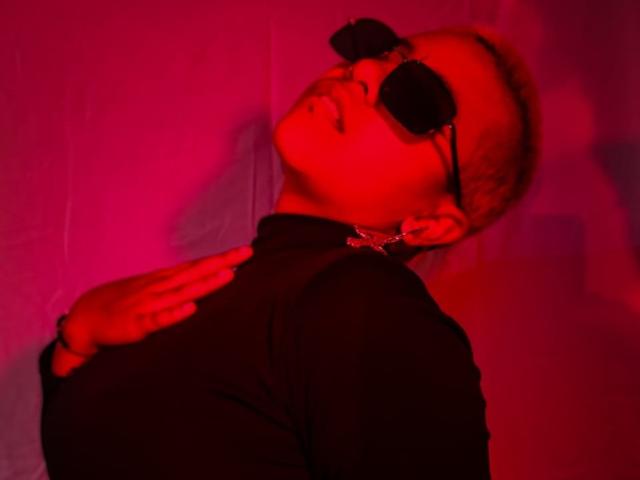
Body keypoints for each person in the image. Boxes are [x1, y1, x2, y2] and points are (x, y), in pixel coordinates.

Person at [40, 18, 540, 479]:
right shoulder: (244, 292)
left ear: (430, 224)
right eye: (384, 51)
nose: (363, 70)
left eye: (417, 96)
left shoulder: (369, 305)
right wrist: (75, 342)